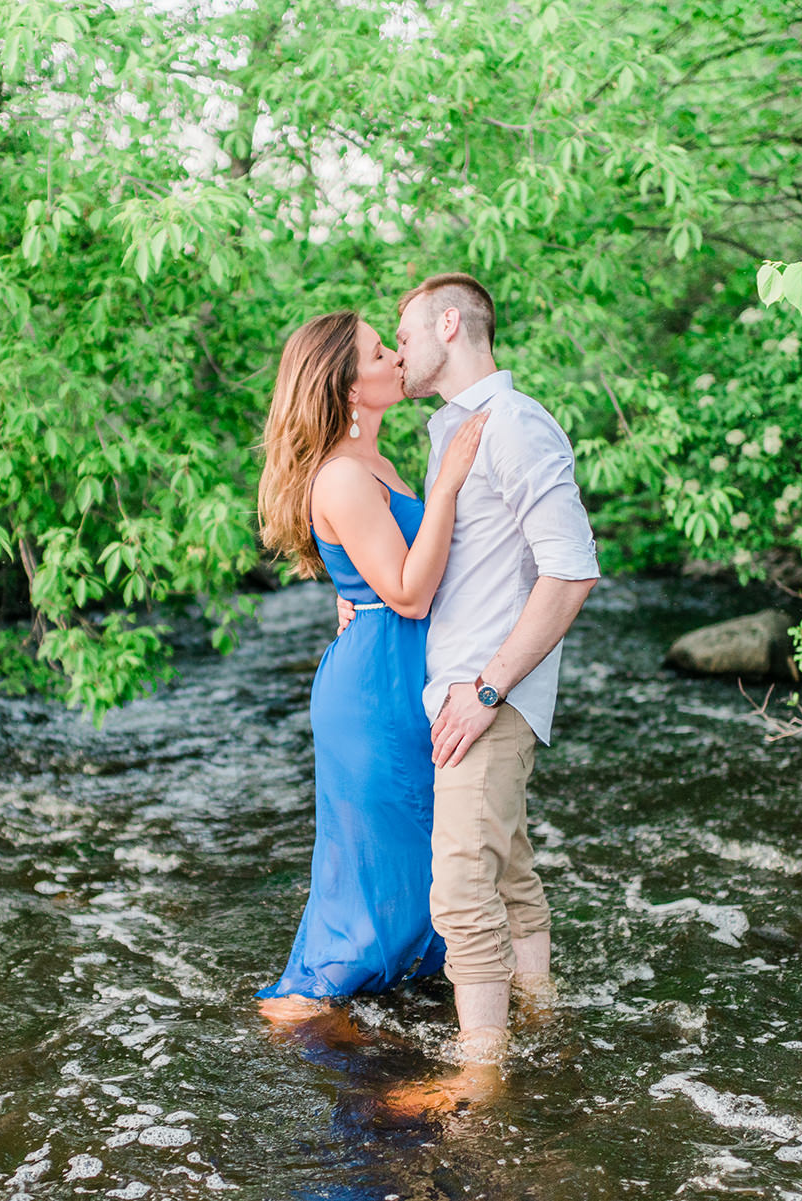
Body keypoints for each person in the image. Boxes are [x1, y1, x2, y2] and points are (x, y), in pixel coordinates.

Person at [363, 273, 600, 1110]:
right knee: (508, 880)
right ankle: (541, 1022)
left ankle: (480, 1082)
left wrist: (489, 687)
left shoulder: (515, 425)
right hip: (464, 693)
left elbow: (571, 572)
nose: (399, 352)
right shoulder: (453, 433)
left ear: (451, 325)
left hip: (487, 699)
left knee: (460, 891)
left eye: (406, 333)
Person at [254, 309, 489, 1023]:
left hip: (401, 671)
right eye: (378, 352)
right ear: (348, 388)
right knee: (372, 871)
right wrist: (447, 485)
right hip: (375, 692)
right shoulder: (343, 477)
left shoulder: (378, 462)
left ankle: (406, 1000)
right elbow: (411, 592)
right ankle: (298, 1011)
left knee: (422, 853)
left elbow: (382, 572)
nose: (395, 357)